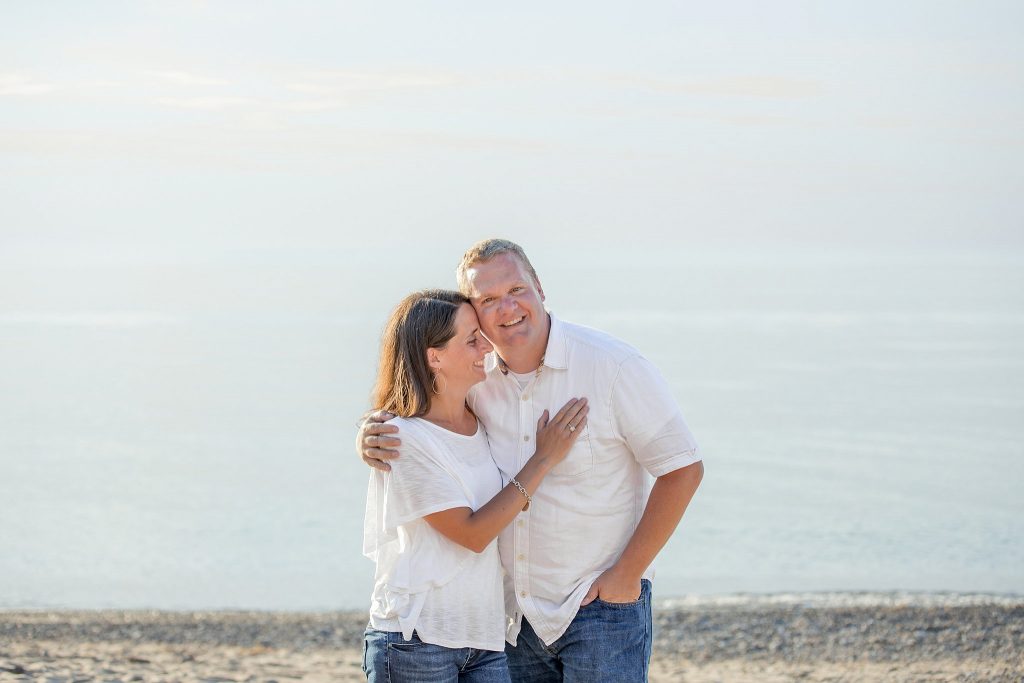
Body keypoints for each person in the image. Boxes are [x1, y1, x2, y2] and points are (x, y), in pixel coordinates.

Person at [360, 240, 704, 682]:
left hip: (600, 607)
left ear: (540, 288)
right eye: (487, 300)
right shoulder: (476, 382)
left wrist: (627, 575)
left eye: (516, 289)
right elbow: (418, 416)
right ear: (475, 315)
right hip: (513, 621)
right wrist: (370, 433)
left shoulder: (612, 366)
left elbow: (682, 469)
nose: (507, 308)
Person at [362, 288, 589, 682]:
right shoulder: (402, 438)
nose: (487, 345)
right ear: (434, 357)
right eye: (472, 339)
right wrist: (544, 459)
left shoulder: (479, 414)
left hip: (484, 640)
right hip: (417, 641)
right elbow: (472, 534)